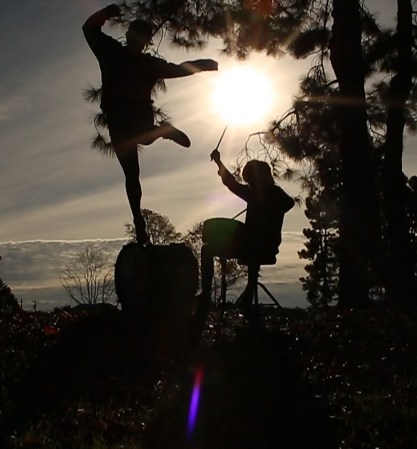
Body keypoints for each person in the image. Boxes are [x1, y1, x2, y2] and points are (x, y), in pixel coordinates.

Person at [83, 3, 219, 245]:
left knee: (133, 170)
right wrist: (203, 65)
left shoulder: (114, 53)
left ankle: (139, 220)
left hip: (124, 120)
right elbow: (178, 69)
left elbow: (89, 29)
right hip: (127, 120)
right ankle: (139, 223)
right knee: (132, 173)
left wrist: (107, 14)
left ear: (132, 37)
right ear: (142, 41)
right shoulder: (125, 56)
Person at [201, 149, 295, 306]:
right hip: (254, 245)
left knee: (216, 247)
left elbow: (289, 203)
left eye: (251, 181)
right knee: (213, 247)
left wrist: (218, 162)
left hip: (261, 246)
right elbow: (232, 184)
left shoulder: (269, 194)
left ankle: (211, 294)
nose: (250, 185)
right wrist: (218, 162)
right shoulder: (257, 194)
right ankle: (215, 293)